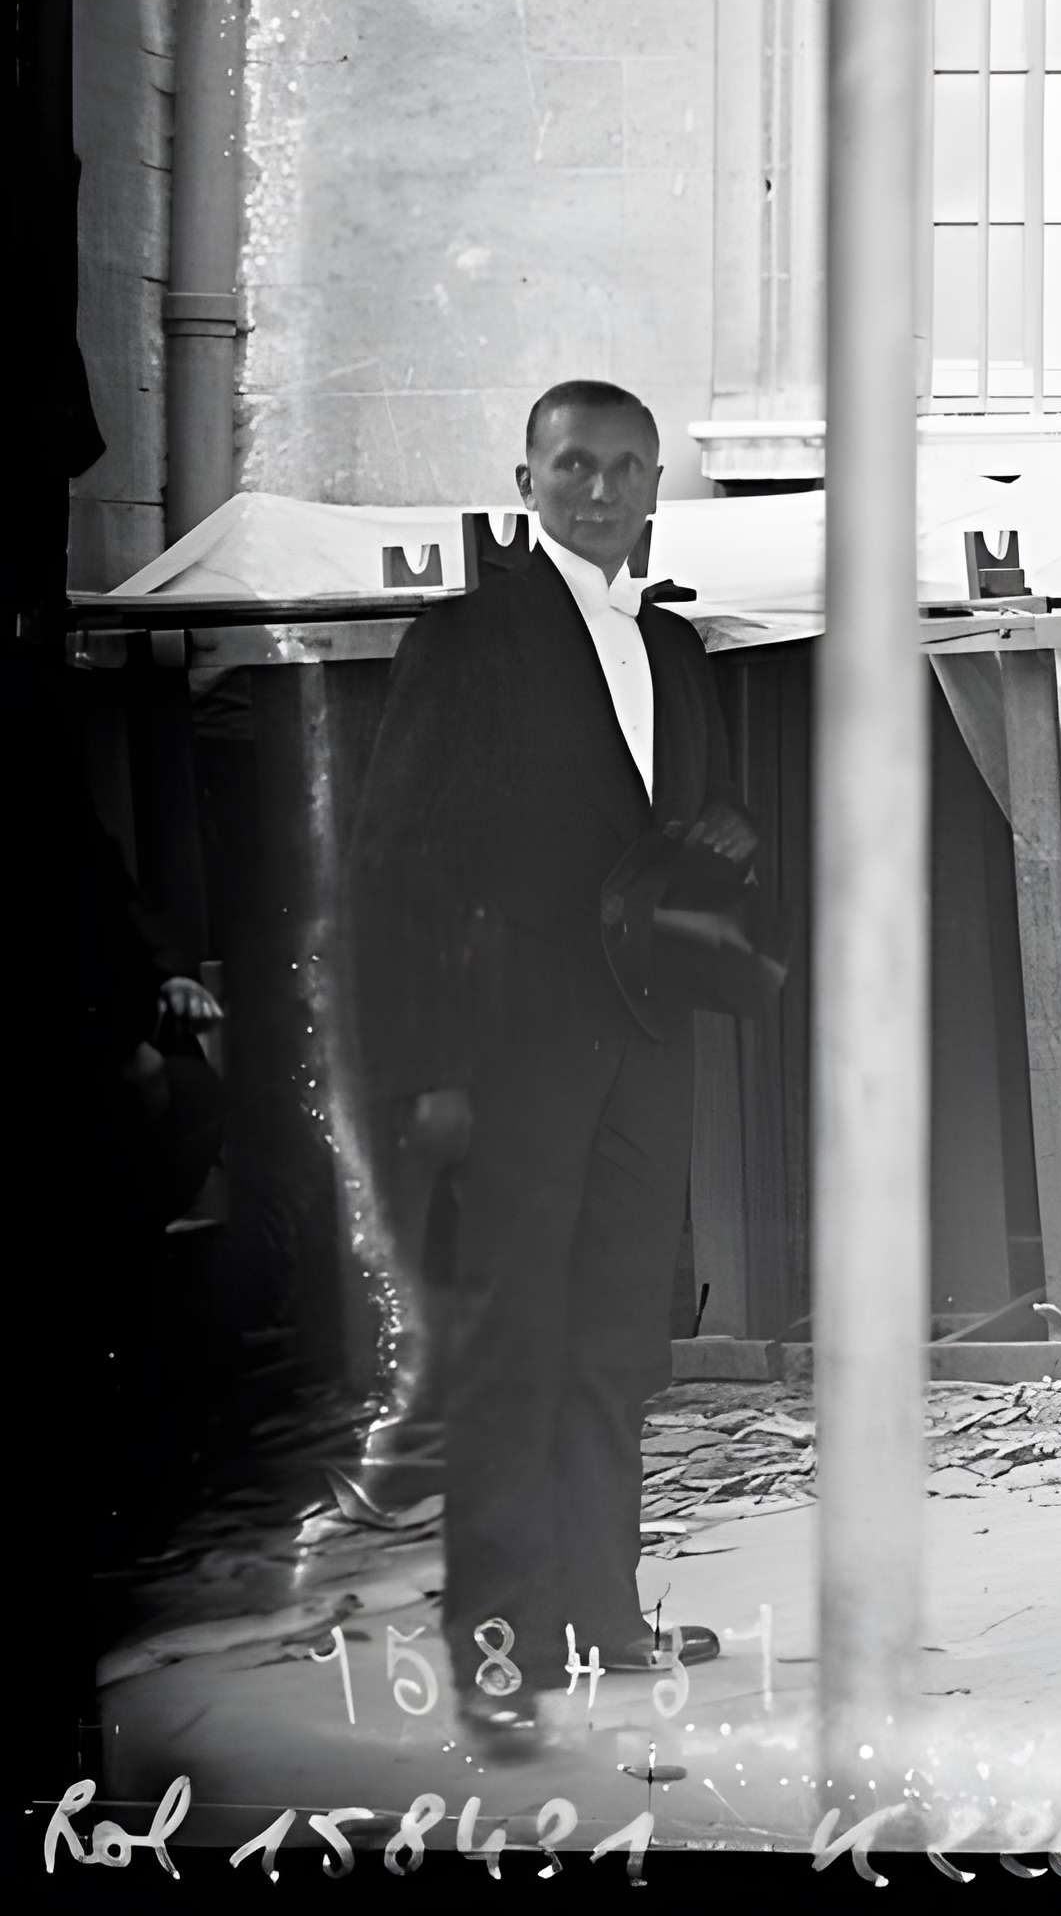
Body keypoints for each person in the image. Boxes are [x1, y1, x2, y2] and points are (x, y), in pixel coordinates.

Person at [349, 381, 754, 1761]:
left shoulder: (682, 650)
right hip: (508, 1053)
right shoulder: (463, 640)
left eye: (626, 468)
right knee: (517, 1346)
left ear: (655, 488)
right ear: (526, 473)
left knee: (616, 1337)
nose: (598, 488)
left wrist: (723, 845)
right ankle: (499, 1651)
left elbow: (675, 835)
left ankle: (602, 1617)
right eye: (572, 464)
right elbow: (398, 872)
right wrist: (430, 1072)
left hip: (643, 1045)